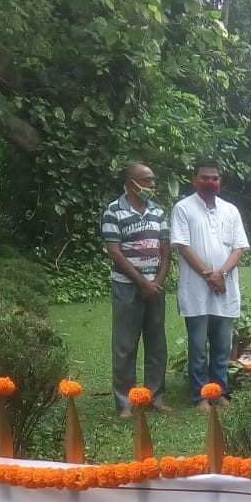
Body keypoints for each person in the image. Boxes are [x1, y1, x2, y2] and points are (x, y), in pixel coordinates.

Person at [171, 158, 250, 411]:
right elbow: (183, 246)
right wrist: (209, 275)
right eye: (205, 177)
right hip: (196, 290)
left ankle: (220, 392)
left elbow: (239, 248)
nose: (210, 182)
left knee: (222, 347)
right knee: (197, 347)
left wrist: (222, 274)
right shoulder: (183, 208)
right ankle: (200, 396)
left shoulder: (231, 210)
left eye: (214, 178)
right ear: (195, 180)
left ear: (220, 181)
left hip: (225, 289)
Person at [101, 161, 171, 417]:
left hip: (156, 287)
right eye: (147, 180)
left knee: (157, 343)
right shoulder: (113, 212)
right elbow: (114, 251)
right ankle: (125, 402)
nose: (152, 185)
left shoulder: (158, 211)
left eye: (153, 180)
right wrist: (142, 283)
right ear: (132, 183)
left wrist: (157, 282)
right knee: (125, 345)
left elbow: (165, 249)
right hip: (126, 288)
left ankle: (156, 397)